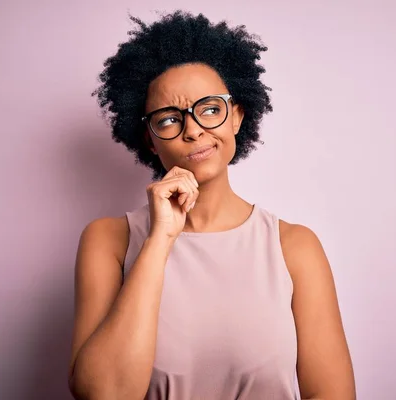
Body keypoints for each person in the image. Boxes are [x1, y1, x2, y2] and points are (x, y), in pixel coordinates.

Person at [68, 11, 355, 400]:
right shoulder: (109, 240)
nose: (193, 129)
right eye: (169, 119)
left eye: (209, 108)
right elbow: (103, 394)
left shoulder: (295, 246)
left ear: (236, 116)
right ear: (151, 140)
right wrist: (160, 238)